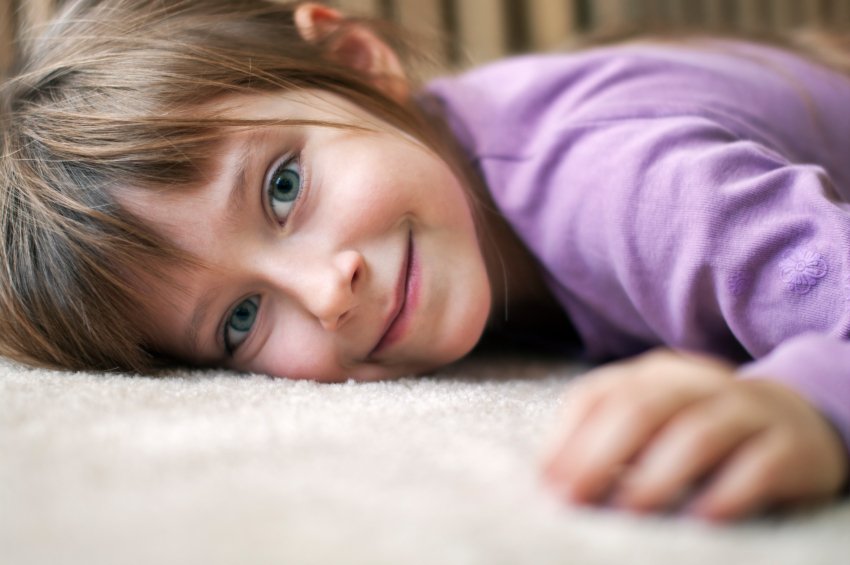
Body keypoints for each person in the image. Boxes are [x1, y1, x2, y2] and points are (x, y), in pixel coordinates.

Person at [1, 0, 848, 521]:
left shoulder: (641, 193)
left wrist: (809, 405)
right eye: (240, 319)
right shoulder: (436, 196)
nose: (326, 293)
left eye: (284, 188)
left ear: (356, 62)